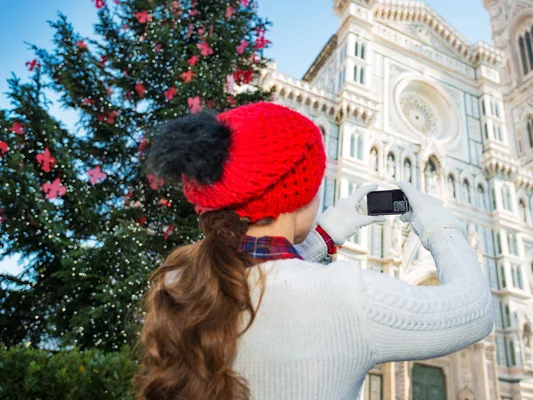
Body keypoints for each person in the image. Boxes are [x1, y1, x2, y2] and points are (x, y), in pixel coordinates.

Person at [133, 102, 494, 400]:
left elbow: (271, 276)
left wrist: (336, 226)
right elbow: (474, 311)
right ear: (297, 196)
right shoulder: (344, 295)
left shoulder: (181, 281)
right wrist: (439, 224)